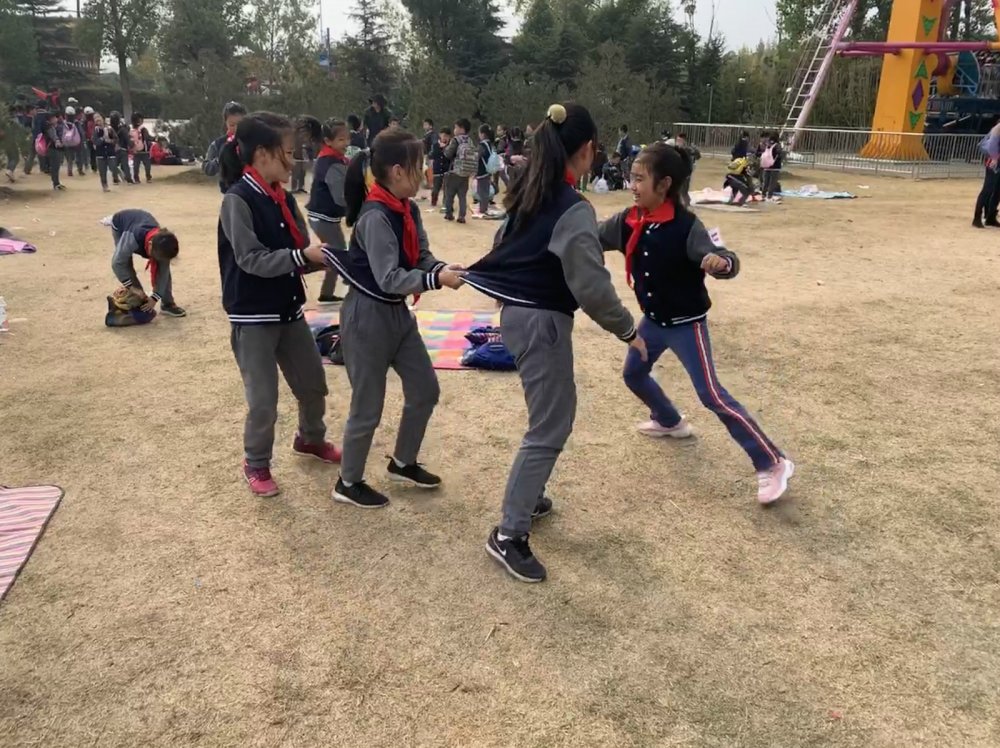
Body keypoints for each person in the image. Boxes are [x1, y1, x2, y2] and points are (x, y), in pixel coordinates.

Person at [461, 103, 644, 583]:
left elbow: (510, 243)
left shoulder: (532, 191)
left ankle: (529, 497)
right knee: (550, 425)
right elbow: (591, 286)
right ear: (587, 150)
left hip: (520, 317)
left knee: (547, 418)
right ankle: (509, 534)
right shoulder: (570, 204)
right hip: (541, 323)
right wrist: (629, 330)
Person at [598, 142, 794, 504]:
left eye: (640, 179)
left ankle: (772, 461)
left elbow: (723, 256)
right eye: (631, 177)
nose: (632, 185)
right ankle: (669, 420)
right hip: (652, 321)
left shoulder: (686, 226)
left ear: (664, 184)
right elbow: (591, 237)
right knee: (634, 374)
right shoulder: (629, 219)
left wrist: (722, 264)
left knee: (711, 394)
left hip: (686, 324)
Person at [304, 128, 465, 509]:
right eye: (418, 166)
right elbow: (389, 278)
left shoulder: (407, 208)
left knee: (425, 389)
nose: (424, 172)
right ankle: (348, 482)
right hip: (367, 317)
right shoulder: (375, 216)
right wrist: (435, 280)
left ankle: (403, 462)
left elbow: (421, 255)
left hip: (397, 315)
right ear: (397, 171)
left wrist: (441, 268)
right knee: (368, 405)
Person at [217, 111, 341, 498]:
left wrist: (327, 258)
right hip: (253, 315)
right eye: (288, 152)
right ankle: (256, 462)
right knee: (263, 401)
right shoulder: (237, 200)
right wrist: (303, 256)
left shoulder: (282, 197)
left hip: (288, 309)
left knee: (313, 384)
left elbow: (302, 247)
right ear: (262, 154)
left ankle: (310, 438)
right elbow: (250, 259)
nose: (294, 160)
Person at [108, 209, 186, 318]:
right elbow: (117, 263)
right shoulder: (132, 239)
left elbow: (163, 273)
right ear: (150, 244)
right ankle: (140, 301)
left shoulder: (165, 244)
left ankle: (167, 304)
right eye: (155, 256)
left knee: (163, 268)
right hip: (121, 225)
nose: (158, 259)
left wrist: (154, 298)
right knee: (126, 263)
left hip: (142, 220)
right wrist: (132, 288)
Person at [306, 118, 351, 305]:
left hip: (324, 217)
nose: (346, 143)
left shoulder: (333, 159)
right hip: (323, 217)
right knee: (338, 254)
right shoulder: (331, 163)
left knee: (335, 253)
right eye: (341, 139)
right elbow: (341, 197)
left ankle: (327, 293)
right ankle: (355, 289)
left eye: (347, 138)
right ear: (328, 141)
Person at [203, 101, 247, 193]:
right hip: (229, 191)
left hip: (251, 190)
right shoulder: (218, 144)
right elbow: (207, 168)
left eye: (240, 124)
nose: (236, 128)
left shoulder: (253, 141)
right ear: (225, 123)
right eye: (232, 125)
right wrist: (220, 158)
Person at [443, 117, 476, 223]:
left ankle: (449, 214)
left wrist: (444, 147)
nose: (454, 130)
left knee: (449, 194)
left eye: (456, 127)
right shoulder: (470, 141)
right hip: (465, 173)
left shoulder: (455, 140)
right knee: (462, 196)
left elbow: (448, 154)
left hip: (454, 172)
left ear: (461, 129)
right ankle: (462, 216)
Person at [973, 121, 1000, 228]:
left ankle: (991, 216)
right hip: (994, 161)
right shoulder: (998, 129)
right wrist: (994, 158)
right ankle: (977, 217)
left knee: (997, 190)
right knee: (988, 189)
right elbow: (992, 144)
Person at [291, 114, 318, 194]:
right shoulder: (294, 132)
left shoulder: (306, 132)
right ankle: (294, 187)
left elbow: (308, 141)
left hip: (303, 153)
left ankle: (301, 186)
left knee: (303, 172)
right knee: (295, 172)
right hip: (296, 153)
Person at [475, 123, 496, 218]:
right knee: (485, 190)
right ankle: (484, 207)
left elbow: (477, 156)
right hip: (488, 170)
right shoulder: (490, 144)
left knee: (481, 191)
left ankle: (483, 209)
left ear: (483, 134)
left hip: (482, 170)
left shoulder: (482, 145)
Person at [92, 113, 119, 191]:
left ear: (103, 118)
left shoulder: (110, 128)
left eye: (98, 117)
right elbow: (95, 141)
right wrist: (103, 139)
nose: (97, 119)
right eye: (95, 118)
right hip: (100, 154)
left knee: (113, 167)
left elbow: (116, 139)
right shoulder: (96, 130)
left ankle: (116, 176)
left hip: (110, 152)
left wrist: (111, 141)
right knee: (102, 172)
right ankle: (105, 186)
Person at [428, 127, 452, 208]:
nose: (445, 137)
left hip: (447, 170)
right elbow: (431, 155)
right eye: (443, 135)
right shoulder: (435, 145)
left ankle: (445, 203)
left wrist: (446, 148)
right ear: (440, 135)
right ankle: (433, 202)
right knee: (436, 188)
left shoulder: (451, 146)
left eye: (447, 136)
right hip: (437, 169)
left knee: (446, 188)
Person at [109, 111, 134, 185]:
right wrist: (131, 145)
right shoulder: (123, 129)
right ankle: (128, 179)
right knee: (125, 165)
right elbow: (127, 139)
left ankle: (116, 179)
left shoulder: (110, 129)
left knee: (114, 165)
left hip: (114, 150)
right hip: (123, 150)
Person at [43, 111, 65, 191]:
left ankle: (56, 183)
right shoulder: (49, 127)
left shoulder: (51, 126)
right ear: (50, 119)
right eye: (54, 118)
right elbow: (54, 137)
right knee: (55, 167)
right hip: (53, 149)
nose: (56, 119)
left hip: (53, 149)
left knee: (55, 167)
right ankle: (56, 184)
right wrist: (58, 142)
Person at [130, 112, 153, 183]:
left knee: (137, 166)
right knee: (144, 165)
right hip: (141, 151)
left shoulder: (134, 130)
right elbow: (148, 137)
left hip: (139, 151)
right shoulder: (141, 129)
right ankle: (146, 177)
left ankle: (138, 178)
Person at [760, 132, 783, 201]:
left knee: (765, 182)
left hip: (766, 166)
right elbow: (779, 154)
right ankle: (769, 196)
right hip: (775, 167)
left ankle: (763, 194)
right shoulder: (777, 145)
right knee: (772, 182)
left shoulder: (767, 145)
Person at [61, 106, 83, 176]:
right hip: (77, 142)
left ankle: (70, 171)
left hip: (67, 142)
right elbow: (81, 132)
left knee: (70, 158)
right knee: (79, 156)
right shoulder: (77, 123)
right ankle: (80, 170)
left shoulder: (63, 123)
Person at [83, 106, 97, 172]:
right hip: (91, 139)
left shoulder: (85, 122)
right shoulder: (90, 122)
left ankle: (92, 166)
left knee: (91, 154)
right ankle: (94, 166)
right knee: (93, 154)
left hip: (89, 139)